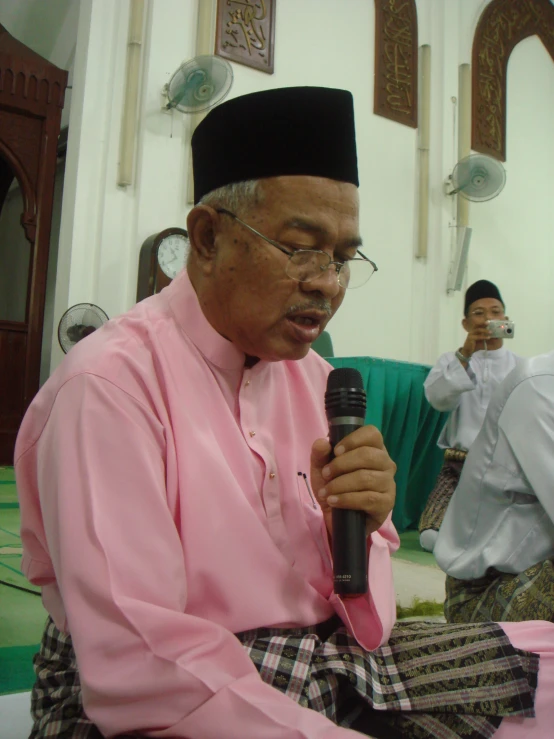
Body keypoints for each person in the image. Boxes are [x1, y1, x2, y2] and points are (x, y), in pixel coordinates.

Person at [15, 88, 554, 739]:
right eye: (301, 247)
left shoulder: (320, 384)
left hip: (316, 655)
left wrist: (356, 528)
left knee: (541, 668)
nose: (328, 281)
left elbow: (368, 620)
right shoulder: (108, 388)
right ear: (209, 236)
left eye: (345, 256)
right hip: (155, 692)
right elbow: (140, 662)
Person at [434, 350, 554, 624]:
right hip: (491, 588)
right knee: (429, 531)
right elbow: (438, 398)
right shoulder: (539, 383)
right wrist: (465, 352)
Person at [418, 280, 518, 551]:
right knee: (430, 537)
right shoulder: (450, 362)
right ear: (465, 324)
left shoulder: (522, 367)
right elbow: (438, 400)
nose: (488, 319)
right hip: (458, 468)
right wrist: (466, 353)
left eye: (496, 312)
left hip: (505, 470)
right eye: (479, 313)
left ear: (506, 319)